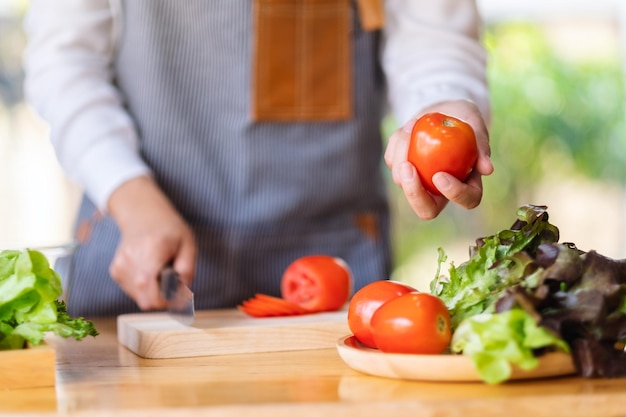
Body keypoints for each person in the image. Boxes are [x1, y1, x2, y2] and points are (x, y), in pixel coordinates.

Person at [23, 0, 492, 317]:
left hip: (331, 253)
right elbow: (63, 62)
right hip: (136, 237)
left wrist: (441, 105)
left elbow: (434, 38)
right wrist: (126, 189)